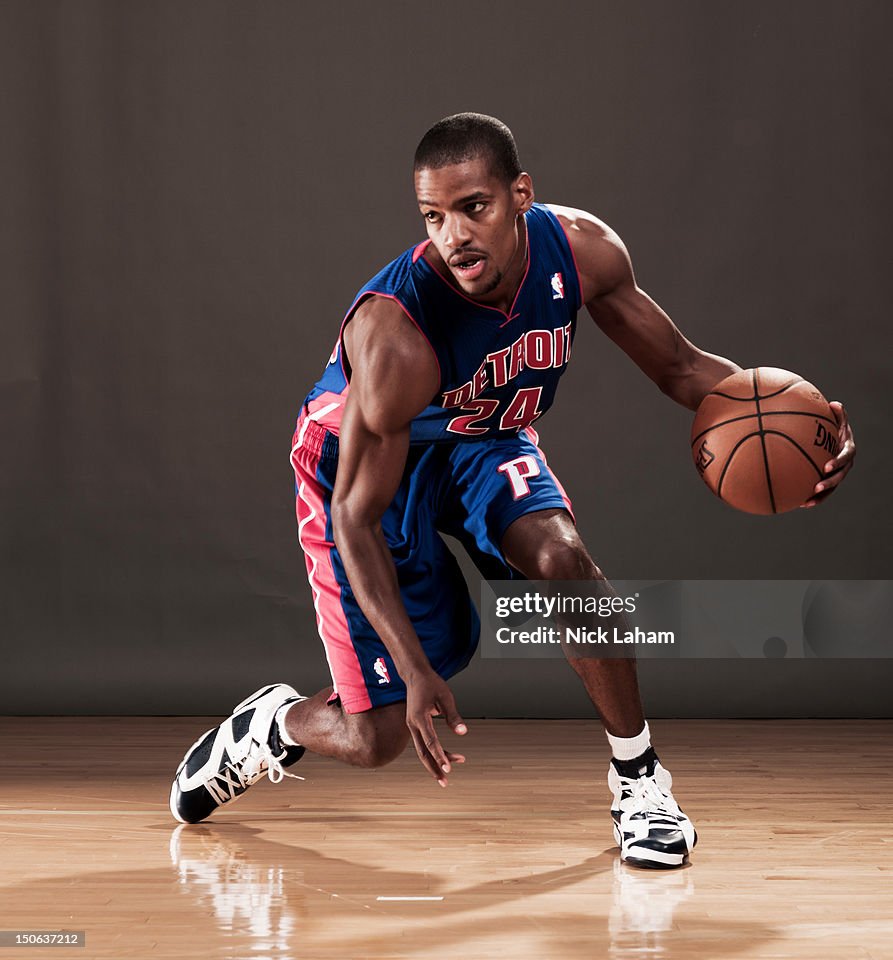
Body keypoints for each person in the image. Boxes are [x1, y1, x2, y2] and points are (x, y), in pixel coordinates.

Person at [169, 113, 856, 867]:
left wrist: (805, 427)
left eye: (473, 207)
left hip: (481, 437)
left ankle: (640, 783)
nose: (453, 235)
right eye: (433, 216)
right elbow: (354, 519)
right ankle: (273, 726)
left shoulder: (580, 249)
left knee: (565, 565)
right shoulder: (396, 333)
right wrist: (413, 667)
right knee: (377, 738)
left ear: (520, 195)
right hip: (359, 475)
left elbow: (682, 368)